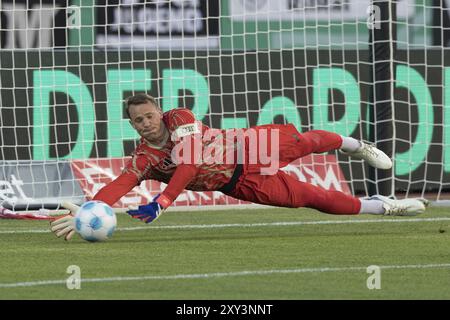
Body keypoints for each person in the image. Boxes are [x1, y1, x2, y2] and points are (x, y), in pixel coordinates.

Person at [51, 93, 428, 240]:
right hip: (236, 183)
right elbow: (119, 184)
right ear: (132, 125)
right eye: (139, 121)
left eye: (150, 115)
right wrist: (91, 207)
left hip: (248, 147)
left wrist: (162, 202)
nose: (148, 123)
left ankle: (354, 145)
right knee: (311, 198)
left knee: (305, 142)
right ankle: (386, 205)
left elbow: (191, 161)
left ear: (158, 112)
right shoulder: (143, 159)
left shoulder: (179, 117)